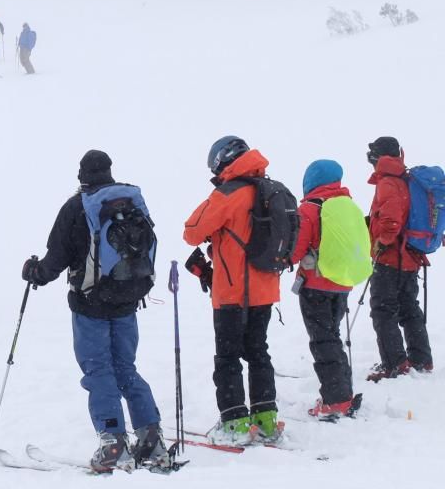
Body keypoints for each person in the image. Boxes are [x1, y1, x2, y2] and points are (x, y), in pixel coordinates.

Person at [21, 150, 172, 474]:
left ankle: (114, 442)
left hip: (90, 304)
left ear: (82, 176)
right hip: (127, 299)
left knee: (99, 369)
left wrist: (35, 272)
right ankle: (150, 437)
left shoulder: (78, 207)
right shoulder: (129, 204)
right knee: (125, 368)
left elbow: (56, 258)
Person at [182, 136, 281, 445]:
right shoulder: (271, 190)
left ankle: (236, 422)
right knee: (258, 352)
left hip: (232, 293)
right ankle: (266, 418)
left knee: (227, 358)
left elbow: (191, 231)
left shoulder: (228, 194)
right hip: (265, 289)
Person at [289, 159, 364, 419]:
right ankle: (342, 391)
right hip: (342, 282)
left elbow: (297, 248)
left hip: (316, 284)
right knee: (332, 336)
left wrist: (284, 260)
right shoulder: (348, 205)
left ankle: (336, 399)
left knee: (323, 340)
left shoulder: (309, 209)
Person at [365, 137, 434, 381]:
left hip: (391, 259)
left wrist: (381, 242)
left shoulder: (388, 182)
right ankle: (421, 358)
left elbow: (392, 220)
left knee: (383, 310)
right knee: (408, 308)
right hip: (411, 257)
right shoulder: (405, 179)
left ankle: (394, 364)